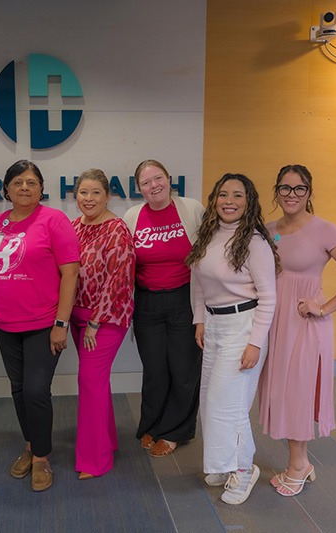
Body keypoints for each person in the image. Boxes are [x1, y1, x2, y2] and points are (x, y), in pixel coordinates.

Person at [258, 164, 336, 496]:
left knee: (297, 391)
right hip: (274, 322)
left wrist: (323, 307)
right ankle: (301, 463)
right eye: (285, 188)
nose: (291, 194)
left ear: (309, 193)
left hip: (304, 323)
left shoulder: (325, 230)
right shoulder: (268, 230)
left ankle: (298, 465)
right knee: (280, 390)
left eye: (299, 188)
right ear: (276, 192)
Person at [0, 160, 80, 492]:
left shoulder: (54, 220)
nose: (24, 187)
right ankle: (30, 443)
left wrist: (61, 323)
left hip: (43, 323)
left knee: (36, 391)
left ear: (41, 189)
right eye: (18, 182)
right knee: (19, 388)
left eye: (31, 182)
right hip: (3, 321)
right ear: (6, 189)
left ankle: (41, 457)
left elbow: (70, 273)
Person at [187, 174, 278, 505]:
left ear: (248, 202)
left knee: (230, 406)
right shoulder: (208, 235)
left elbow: (268, 297)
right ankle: (223, 464)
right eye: (223, 194)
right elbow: (198, 281)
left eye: (238, 195)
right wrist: (199, 320)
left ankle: (243, 469)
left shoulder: (255, 243)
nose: (229, 201)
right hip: (214, 325)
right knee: (211, 401)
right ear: (214, 199)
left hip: (243, 326)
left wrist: (255, 342)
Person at [123, 159, 204, 458]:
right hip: (147, 302)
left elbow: (209, 253)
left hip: (185, 299)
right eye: (146, 182)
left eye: (158, 178)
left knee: (183, 369)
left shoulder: (191, 209)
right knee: (155, 370)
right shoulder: (133, 216)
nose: (154, 186)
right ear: (139, 189)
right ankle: (152, 424)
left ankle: (174, 431)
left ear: (169, 179)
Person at [70, 169, 135, 480]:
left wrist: (95, 322)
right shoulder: (74, 226)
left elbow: (118, 281)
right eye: (83, 192)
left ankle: (95, 461)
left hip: (105, 319)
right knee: (95, 382)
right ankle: (107, 440)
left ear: (108, 196)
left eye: (96, 192)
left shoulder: (117, 229)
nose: (89, 198)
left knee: (89, 380)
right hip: (76, 316)